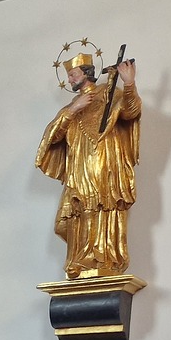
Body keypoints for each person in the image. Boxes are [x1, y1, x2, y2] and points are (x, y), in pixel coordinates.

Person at [36, 51, 140, 279]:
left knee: (103, 205)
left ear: (86, 73)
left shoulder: (109, 94)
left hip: (105, 162)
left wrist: (129, 83)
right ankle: (80, 260)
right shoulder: (72, 106)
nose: (70, 80)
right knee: (79, 211)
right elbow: (53, 136)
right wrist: (74, 109)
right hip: (79, 166)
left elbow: (130, 111)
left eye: (73, 74)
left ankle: (104, 258)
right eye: (69, 76)